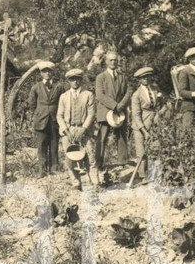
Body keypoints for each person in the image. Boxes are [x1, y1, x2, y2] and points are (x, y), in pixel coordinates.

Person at [57, 68, 98, 190]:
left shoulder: (88, 95)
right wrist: (66, 131)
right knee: (70, 158)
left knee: (90, 156)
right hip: (68, 130)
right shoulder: (63, 97)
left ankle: (95, 182)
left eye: (77, 79)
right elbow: (59, 115)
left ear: (81, 80)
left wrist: (83, 129)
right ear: (68, 81)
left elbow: (91, 114)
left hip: (84, 129)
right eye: (72, 79)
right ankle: (76, 183)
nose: (75, 82)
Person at [94, 50, 131, 181]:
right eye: (111, 60)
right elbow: (100, 95)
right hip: (106, 111)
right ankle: (99, 163)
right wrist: (114, 105)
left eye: (115, 60)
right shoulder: (101, 77)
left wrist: (121, 105)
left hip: (120, 111)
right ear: (105, 62)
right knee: (102, 137)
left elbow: (128, 92)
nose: (113, 62)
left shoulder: (122, 77)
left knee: (121, 135)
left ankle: (123, 161)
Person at [27, 61, 63, 177]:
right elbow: (31, 103)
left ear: (52, 72)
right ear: (41, 73)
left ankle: (54, 169)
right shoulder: (36, 87)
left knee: (54, 143)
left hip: (55, 119)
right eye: (44, 71)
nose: (47, 73)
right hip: (40, 119)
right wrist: (38, 113)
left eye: (49, 71)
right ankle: (42, 170)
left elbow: (63, 102)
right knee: (41, 144)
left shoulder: (59, 86)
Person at [129, 67, 160, 183]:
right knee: (141, 152)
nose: (146, 79)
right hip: (140, 126)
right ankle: (143, 176)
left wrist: (159, 114)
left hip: (155, 123)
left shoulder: (156, 89)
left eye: (148, 76)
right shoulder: (136, 95)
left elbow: (160, 105)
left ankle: (156, 174)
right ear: (139, 80)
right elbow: (136, 115)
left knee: (155, 148)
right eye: (143, 77)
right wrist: (144, 131)